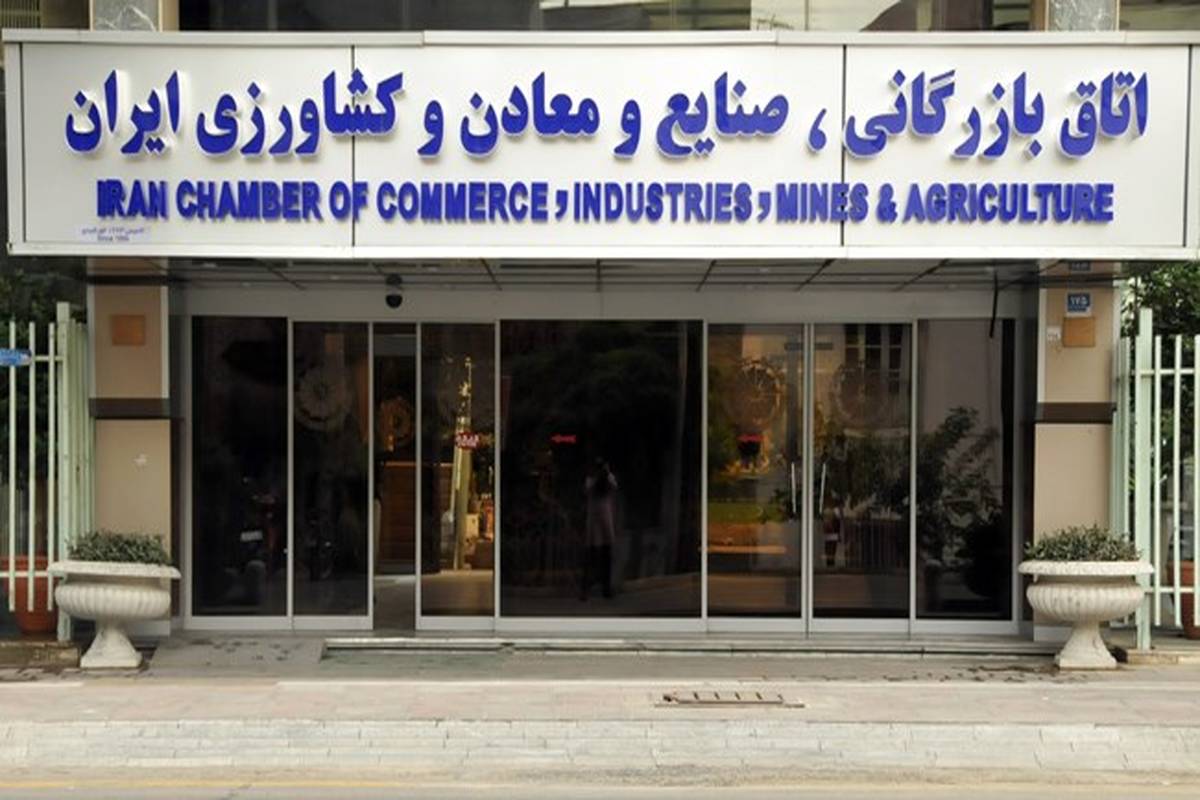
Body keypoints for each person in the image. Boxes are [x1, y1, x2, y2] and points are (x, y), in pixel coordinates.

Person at [581, 458, 618, 600]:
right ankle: (586, 589)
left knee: (605, 557)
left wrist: (607, 473)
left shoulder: (609, 479)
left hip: (605, 523)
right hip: (594, 523)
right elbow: (588, 490)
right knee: (590, 558)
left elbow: (614, 486)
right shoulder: (591, 479)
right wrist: (598, 476)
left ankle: (605, 589)